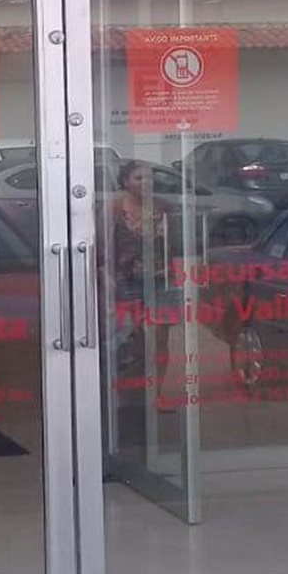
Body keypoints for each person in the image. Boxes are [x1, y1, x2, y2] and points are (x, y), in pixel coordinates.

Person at [100, 159, 171, 401]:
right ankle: (125, 395)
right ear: (126, 182)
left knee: (160, 338)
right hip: (126, 280)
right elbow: (101, 243)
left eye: (149, 177)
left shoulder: (162, 207)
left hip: (160, 279)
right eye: (139, 178)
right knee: (128, 338)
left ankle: (156, 395)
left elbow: (175, 243)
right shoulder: (114, 208)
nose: (146, 182)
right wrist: (104, 272)